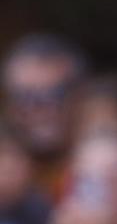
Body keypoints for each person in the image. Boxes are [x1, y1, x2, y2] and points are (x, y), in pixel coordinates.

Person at [3, 35, 85, 200]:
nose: (39, 108)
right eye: (25, 96)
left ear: (80, 97)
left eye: (55, 94)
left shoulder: (113, 171)